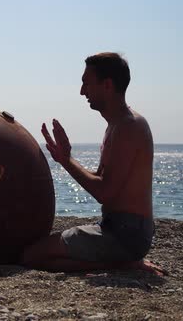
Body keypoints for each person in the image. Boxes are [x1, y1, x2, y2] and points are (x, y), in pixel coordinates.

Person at [21, 52, 155, 272]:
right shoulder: (117, 124)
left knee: (30, 257)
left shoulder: (128, 127)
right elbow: (107, 181)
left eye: (86, 84)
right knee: (39, 255)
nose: (82, 91)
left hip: (126, 234)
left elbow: (104, 192)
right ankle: (121, 262)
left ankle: (123, 264)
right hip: (121, 228)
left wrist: (66, 160)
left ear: (107, 85)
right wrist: (66, 158)